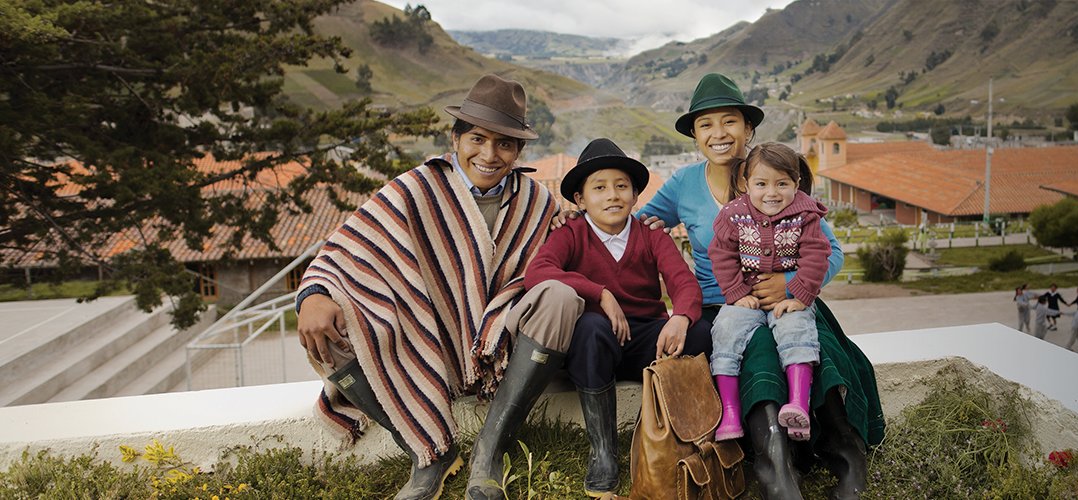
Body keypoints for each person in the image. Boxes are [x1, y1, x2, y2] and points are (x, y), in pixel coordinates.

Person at [295, 75, 583, 500]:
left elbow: (580, 243)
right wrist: (313, 294)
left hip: (499, 346)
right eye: (478, 139)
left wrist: (615, 227)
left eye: (504, 144)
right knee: (327, 332)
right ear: (455, 138)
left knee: (560, 298)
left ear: (518, 151)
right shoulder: (415, 188)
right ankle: (430, 453)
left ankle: (489, 449)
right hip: (425, 339)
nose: (489, 155)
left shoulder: (537, 202)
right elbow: (347, 249)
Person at [637, 73, 882, 499]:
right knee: (760, 351)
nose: (718, 133)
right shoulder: (682, 184)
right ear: (695, 135)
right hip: (721, 305)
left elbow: (832, 251)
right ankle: (778, 475)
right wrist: (577, 223)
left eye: (729, 121)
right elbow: (636, 226)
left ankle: (848, 460)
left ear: (748, 128)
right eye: (706, 124)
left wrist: (790, 285)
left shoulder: (776, 178)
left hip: (791, 300)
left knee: (818, 346)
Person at [524, 138, 712, 497]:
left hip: (646, 342)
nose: (612, 195)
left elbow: (684, 282)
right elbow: (538, 273)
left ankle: (669, 437)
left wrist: (680, 318)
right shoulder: (571, 233)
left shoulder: (652, 235)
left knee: (701, 331)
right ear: (580, 199)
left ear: (635, 195)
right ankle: (603, 450)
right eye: (599, 188)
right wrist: (600, 293)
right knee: (590, 326)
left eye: (621, 186)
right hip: (596, 346)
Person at [708, 143, 830, 442]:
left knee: (796, 328)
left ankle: (798, 403)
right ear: (746, 183)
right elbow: (721, 254)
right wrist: (736, 293)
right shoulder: (733, 214)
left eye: (782, 184)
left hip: (788, 299)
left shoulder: (806, 214)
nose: (771, 193)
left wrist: (799, 296)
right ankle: (730, 412)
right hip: (745, 298)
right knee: (725, 329)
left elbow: (816, 255)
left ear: (796, 183)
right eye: (761, 184)